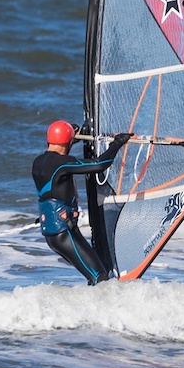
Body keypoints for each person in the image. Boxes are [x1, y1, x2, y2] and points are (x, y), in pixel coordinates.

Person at [32, 120, 132, 284]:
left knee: (96, 275)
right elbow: (99, 164)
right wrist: (117, 143)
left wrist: (73, 137)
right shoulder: (62, 164)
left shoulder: (38, 162)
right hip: (64, 233)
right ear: (69, 142)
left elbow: (61, 150)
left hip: (53, 234)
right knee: (99, 278)